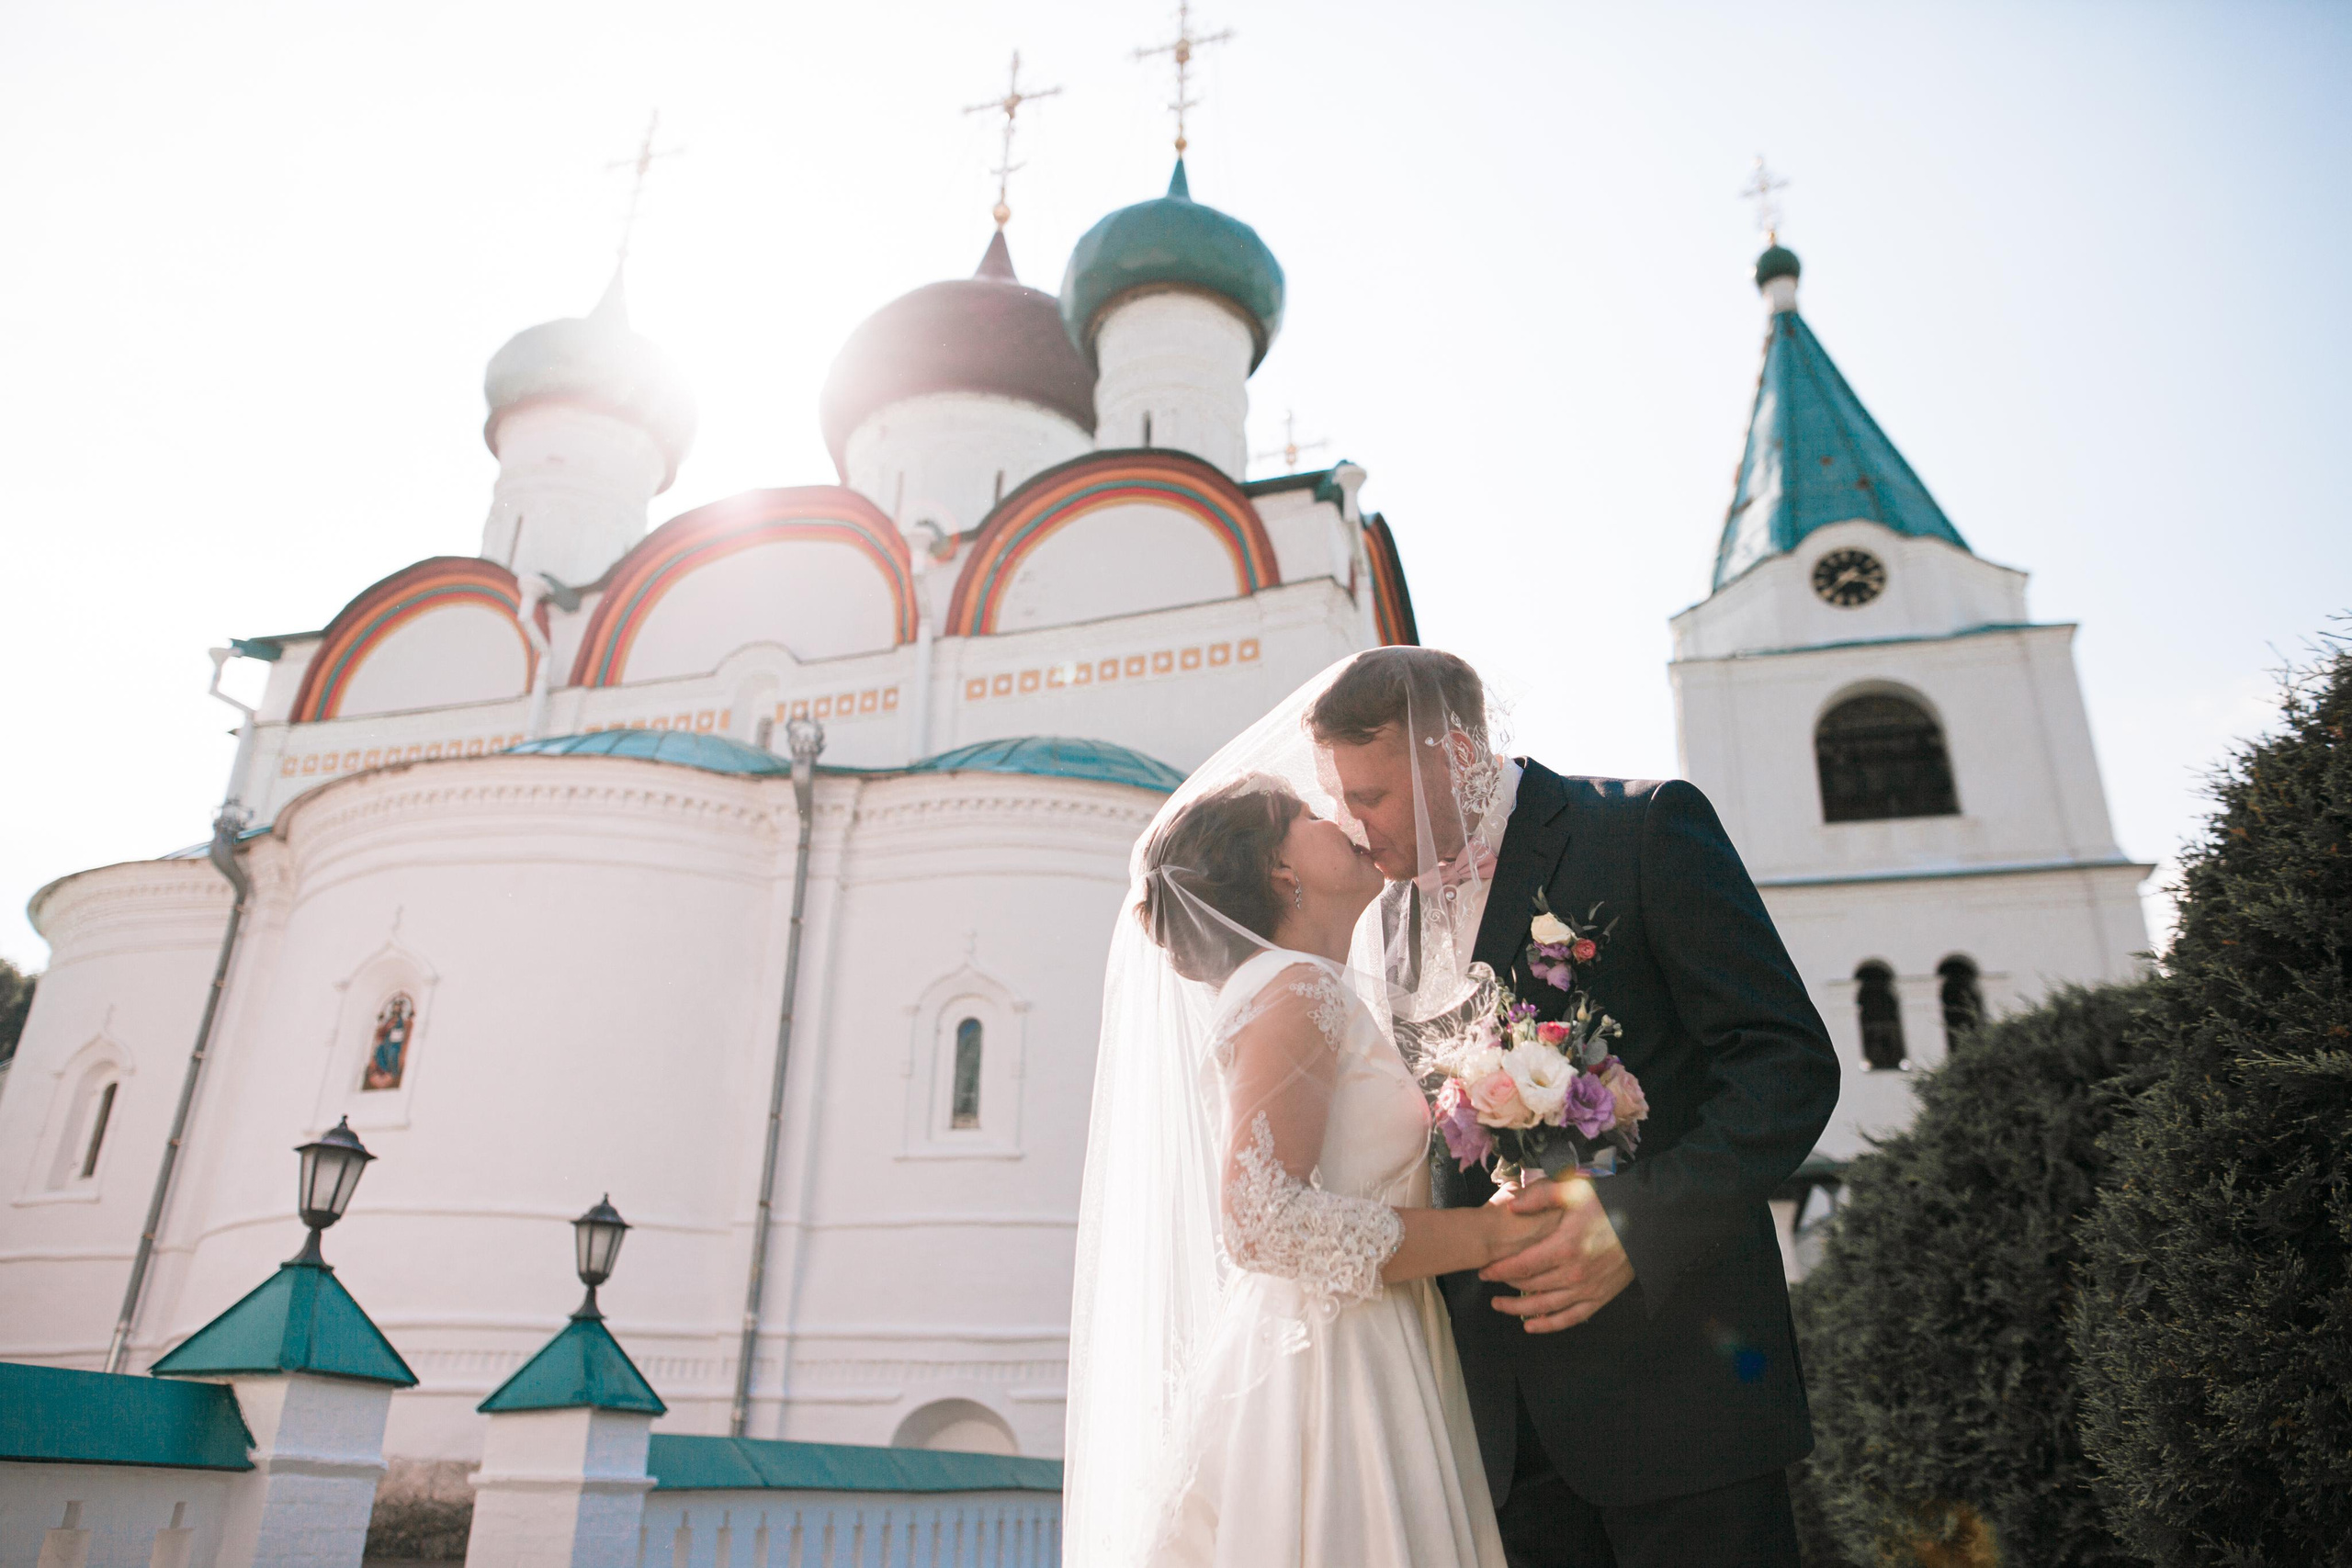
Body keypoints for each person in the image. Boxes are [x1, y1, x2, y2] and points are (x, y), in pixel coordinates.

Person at [1306, 647, 1840, 1568]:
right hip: (1494, 1433)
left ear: (1456, 756)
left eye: (1371, 796)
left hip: (1682, 1391)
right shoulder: (1384, 919)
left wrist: (1634, 1226)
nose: (1352, 825)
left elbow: (1783, 1064)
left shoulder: (1643, 827)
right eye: (1341, 798)